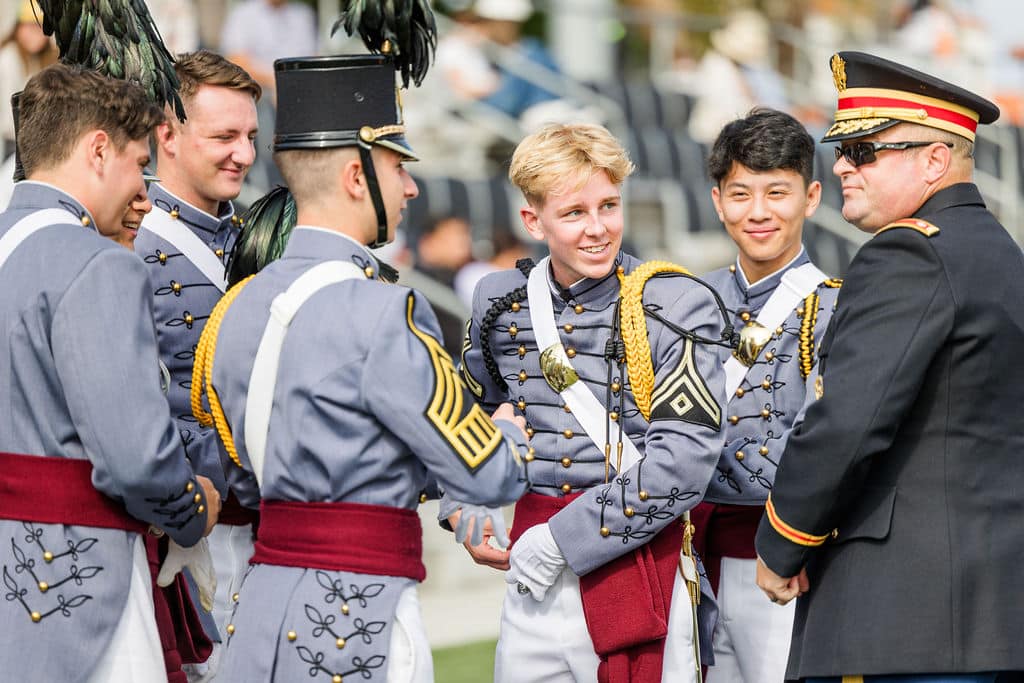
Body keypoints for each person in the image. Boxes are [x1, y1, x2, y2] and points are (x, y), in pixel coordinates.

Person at [192, 53, 532, 682]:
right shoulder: (385, 311)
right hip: (357, 620)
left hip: (258, 613)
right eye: (398, 167)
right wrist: (510, 431)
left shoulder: (236, 309)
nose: (410, 188)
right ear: (356, 176)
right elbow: (488, 475)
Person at [755, 51, 1024, 681]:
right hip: (993, 614)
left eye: (867, 151)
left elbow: (848, 423)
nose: (844, 166)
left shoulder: (909, 252)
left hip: (907, 618)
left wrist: (783, 539)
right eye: (842, 151)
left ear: (935, 158)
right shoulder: (1002, 255)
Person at [455, 122, 728, 682]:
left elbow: (682, 465)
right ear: (533, 220)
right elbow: (469, 414)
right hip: (528, 574)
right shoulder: (497, 301)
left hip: (639, 565)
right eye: (575, 212)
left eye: (609, 205)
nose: (599, 228)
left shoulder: (675, 301)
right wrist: (466, 506)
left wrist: (558, 542)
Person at [0, 61, 220, 682]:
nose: (145, 193)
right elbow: (136, 461)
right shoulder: (99, 264)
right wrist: (193, 507)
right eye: (138, 164)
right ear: (99, 150)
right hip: (77, 583)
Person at [693, 108, 839, 683]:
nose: (758, 212)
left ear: (812, 197)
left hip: (778, 559)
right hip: (688, 555)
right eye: (740, 193)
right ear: (716, 200)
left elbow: (818, 444)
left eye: (777, 192)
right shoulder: (685, 298)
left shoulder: (835, 306)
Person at [131, 47, 261, 678]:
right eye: (224, 136)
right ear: (168, 136)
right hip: (194, 531)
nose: (244, 153)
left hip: (273, 523)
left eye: (251, 136)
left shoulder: (259, 240)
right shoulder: (133, 245)